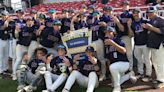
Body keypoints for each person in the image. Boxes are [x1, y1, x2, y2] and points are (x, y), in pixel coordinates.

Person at [104, 26, 137, 92]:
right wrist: (109, 71)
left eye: (109, 32)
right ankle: (129, 75)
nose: (107, 34)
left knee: (113, 68)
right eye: (106, 33)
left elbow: (123, 51)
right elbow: (108, 58)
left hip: (124, 63)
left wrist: (113, 43)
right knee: (113, 82)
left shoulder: (118, 40)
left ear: (113, 33)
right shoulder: (107, 43)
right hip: (115, 66)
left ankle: (117, 88)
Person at [142, 6, 164, 89]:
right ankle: (159, 78)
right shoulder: (150, 20)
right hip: (152, 44)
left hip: (159, 44)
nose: (149, 14)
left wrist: (151, 28)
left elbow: (162, 31)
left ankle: (161, 80)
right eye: (148, 12)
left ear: (156, 12)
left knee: (159, 63)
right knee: (155, 62)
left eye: (151, 12)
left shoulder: (160, 19)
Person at [128, 8, 152, 82]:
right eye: (134, 13)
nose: (135, 14)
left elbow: (151, 30)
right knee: (139, 60)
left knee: (147, 59)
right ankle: (140, 73)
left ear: (140, 13)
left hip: (145, 43)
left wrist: (148, 29)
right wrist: (129, 26)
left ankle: (148, 74)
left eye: (137, 13)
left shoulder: (145, 21)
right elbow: (131, 35)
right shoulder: (133, 23)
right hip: (137, 43)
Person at [118, 0, 134, 71]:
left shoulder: (131, 15)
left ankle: (130, 69)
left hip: (129, 35)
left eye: (126, 5)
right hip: (122, 36)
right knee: (124, 53)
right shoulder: (120, 16)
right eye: (123, 5)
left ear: (129, 7)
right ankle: (126, 68)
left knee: (129, 53)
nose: (125, 7)